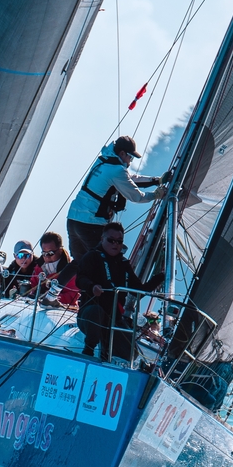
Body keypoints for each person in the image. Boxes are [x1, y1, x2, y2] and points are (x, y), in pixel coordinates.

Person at [70, 222, 164, 360]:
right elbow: (80, 279)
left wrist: (161, 276)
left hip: (114, 320)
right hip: (89, 315)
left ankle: (112, 362)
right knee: (96, 312)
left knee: (131, 354)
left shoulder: (124, 264)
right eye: (111, 240)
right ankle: (88, 351)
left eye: (119, 241)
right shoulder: (92, 257)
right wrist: (92, 287)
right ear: (102, 239)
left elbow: (139, 290)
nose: (115, 244)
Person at [65, 135, 170, 258]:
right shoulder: (117, 170)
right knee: (105, 262)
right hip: (90, 224)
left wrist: (157, 180)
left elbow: (128, 180)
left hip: (73, 220)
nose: (130, 161)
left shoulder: (103, 161)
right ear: (122, 153)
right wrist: (156, 195)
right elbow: (136, 197)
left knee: (80, 263)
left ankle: (60, 278)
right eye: (130, 157)